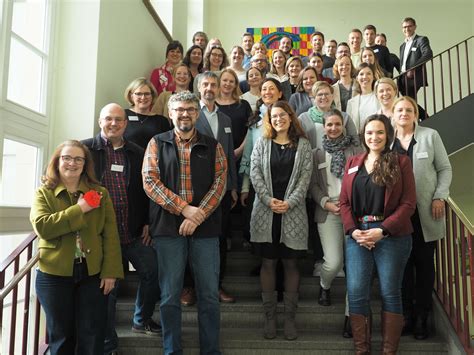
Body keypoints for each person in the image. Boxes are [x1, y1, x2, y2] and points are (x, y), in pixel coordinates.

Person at [142, 91, 227, 355]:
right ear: (170, 113)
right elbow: (150, 182)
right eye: (179, 109)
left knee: (210, 295)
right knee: (169, 296)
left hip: (206, 229)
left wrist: (198, 214)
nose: (185, 114)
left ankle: (210, 350)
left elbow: (221, 182)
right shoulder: (157, 142)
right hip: (168, 229)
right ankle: (171, 350)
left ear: (198, 113)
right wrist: (185, 210)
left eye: (190, 109)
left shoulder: (213, 146)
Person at [31, 140, 123, 355]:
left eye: (78, 159)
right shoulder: (43, 193)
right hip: (53, 275)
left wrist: (110, 271)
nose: (72, 163)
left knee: (92, 334)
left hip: (92, 273)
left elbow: (110, 235)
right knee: (61, 336)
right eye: (67, 158)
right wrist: (80, 209)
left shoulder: (100, 193)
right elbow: (44, 227)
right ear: (57, 161)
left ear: (85, 164)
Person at [82, 104, 161, 354]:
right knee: (109, 292)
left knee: (154, 271)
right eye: (108, 119)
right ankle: (108, 345)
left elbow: (147, 189)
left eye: (118, 119)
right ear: (99, 121)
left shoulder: (137, 152)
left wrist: (149, 221)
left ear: (126, 123)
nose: (113, 123)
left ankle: (141, 319)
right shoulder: (85, 150)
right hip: (101, 237)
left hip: (132, 231)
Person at [340, 114, 416, 354]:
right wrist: (353, 232)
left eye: (380, 132)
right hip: (357, 238)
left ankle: (388, 351)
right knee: (356, 292)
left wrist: (382, 231)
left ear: (388, 135)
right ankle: (362, 350)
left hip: (391, 236)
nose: (374, 137)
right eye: (370, 132)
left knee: (389, 292)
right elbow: (343, 203)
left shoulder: (400, 162)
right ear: (363, 135)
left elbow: (408, 203)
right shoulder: (352, 162)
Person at [250, 100, 313, 340]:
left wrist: (290, 202)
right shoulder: (262, 143)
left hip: (293, 213)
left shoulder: (303, 145)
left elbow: (305, 178)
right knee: (268, 262)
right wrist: (268, 200)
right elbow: (255, 173)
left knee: (290, 264)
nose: (279, 119)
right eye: (274, 116)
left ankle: (289, 318)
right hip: (265, 213)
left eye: (283, 115)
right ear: (269, 119)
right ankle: (270, 317)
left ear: (290, 117)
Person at [391, 96, 452, 340]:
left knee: (425, 267)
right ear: (393, 115)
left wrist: (440, 196)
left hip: (426, 214)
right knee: (402, 268)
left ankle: (422, 318)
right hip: (397, 217)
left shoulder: (430, 135)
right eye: (400, 110)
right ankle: (406, 316)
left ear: (416, 114)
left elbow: (445, 169)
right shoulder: (387, 139)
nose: (404, 113)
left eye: (409, 110)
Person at [310, 109, 362, 307]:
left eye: (337, 124)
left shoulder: (356, 152)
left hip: (353, 211)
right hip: (327, 211)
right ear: (324, 127)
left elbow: (363, 181)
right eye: (329, 124)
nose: (333, 128)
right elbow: (313, 185)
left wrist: (349, 202)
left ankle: (353, 308)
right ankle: (325, 284)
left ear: (343, 126)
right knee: (333, 262)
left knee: (354, 263)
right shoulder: (317, 154)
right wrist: (326, 203)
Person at [196, 71, 238, 303]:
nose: (210, 88)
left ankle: (217, 285)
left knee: (220, 239)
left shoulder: (226, 120)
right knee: (193, 238)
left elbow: (229, 155)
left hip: (221, 188)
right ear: (199, 88)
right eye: (206, 84)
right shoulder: (191, 114)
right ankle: (189, 287)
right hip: (195, 188)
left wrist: (232, 185)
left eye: (214, 84)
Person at [298, 81, 359, 150]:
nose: (323, 97)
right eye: (320, 94)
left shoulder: (345, 117)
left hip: (341, 158)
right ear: (314, 98)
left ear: (332, 97)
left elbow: (355, 141)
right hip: (314, 159)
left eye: (327, 94)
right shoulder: (303, 119)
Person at [123, 77, 171, 148]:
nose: (143, 97)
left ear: (152, 96)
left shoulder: (162, 121)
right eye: (139, 94)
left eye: (147, 94)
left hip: (154, 158)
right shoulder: (122, 115)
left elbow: (167, 148)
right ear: (131, 96)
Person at [398, 17, 433, 99]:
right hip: (403, 77)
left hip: (413, 76)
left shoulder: (421, 40)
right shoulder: (402, 46)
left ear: (415, 27)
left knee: (409, 99)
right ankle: (421, 112)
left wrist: (413, 68)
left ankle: (422, 112)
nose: (407, 29)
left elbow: (428, 54)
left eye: (409, 26)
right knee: (408, 100)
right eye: (404, 27)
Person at [346, 63, 381, 132]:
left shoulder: (380, 98)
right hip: (359, 140)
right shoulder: (351, 103)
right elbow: (349, 127)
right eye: (361, 74)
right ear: (357, 78)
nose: (365, 77)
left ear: (373, 77)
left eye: (368, 73)